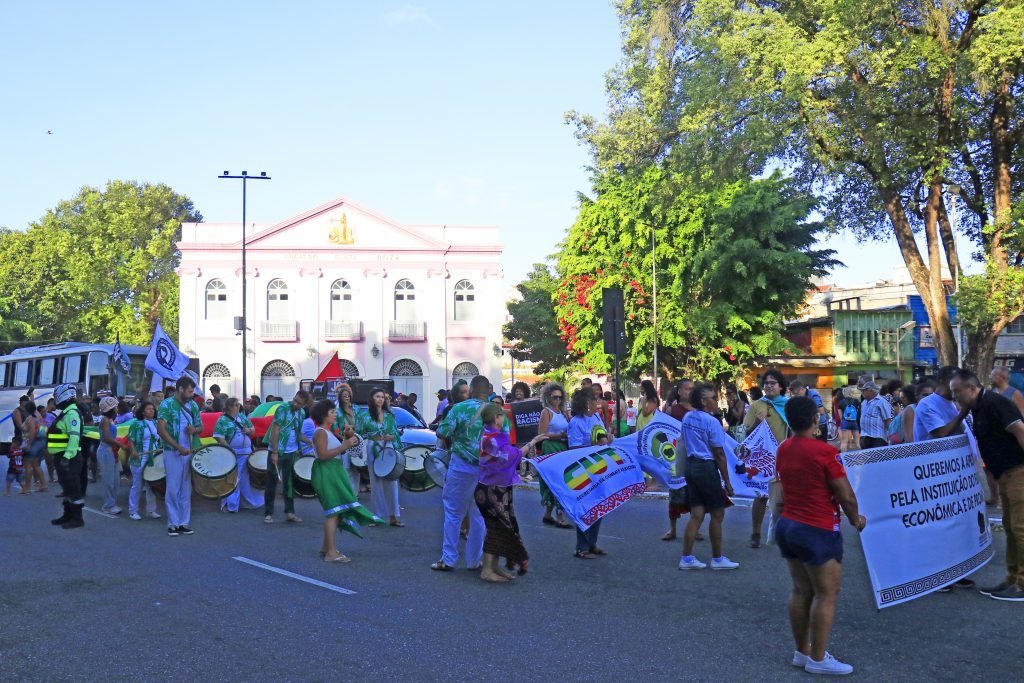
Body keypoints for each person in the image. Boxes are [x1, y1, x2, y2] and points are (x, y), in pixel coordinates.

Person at [775, 395, 866, 676]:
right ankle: (818, 658)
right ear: (816, 420)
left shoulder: (784, 448)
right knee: (827, 594)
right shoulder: (824, 453)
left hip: (788, 525)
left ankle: (802, 651)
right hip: (817, 528)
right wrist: (856, 519)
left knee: (801, 590)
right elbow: (846, 494)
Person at [949, 369, 1024, 601]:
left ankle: (1021, 583)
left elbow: (1021, 430)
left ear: (972, 388)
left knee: (1020, 529)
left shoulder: (994, 403)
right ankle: (1013, 579)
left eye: (957, 392)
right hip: (1005, 475)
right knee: (1011, 528)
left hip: (1018, 472)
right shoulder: (978, 406)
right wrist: (962, 411)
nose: (955, 397)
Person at [475, 402, 547, 582]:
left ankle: (494, 567)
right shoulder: (492, 438)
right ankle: (486, 570)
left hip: (496, 488)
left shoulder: (491, 435)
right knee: (497, 528)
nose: (504, 418)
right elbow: (513, 455)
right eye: (501, 415)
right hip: (492, 490)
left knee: (501, 528)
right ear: (496, 418)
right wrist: (533, 442)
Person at [432, 375, 495, 571]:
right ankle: (474, 561)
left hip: (461, 466)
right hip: (487, 469)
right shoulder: (497, 411)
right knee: (478, 516)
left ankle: (448, 559)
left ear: (472, 390)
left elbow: (442, 432)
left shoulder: (459, 409)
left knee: (453, 512)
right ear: (489, 390)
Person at [310, 399, 383, 563]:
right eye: (332, 412)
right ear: (324, 415)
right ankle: (331, 553)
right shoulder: (320, 432)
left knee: (334, 511)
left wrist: (347, 443)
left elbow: (335, 452)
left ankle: (326, 548)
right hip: (327, 471)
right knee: (333, 511)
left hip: (333, 470)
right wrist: (345, 445)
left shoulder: (326, 431)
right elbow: (322, 455)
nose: (335, 414)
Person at [677, 383, 739, 570]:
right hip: (706, 467)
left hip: (691, 466)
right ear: (704, 402)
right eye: (713, 397)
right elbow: (719, 454)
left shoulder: (688, 417)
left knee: (696, 514)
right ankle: (718, 558)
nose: (716, 400)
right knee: (717, 513)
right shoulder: (712, 422)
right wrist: (727, 482)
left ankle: (686, 558)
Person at [743, 369, 790, 549]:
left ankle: (781, 535)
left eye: (773, 383)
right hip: (762, 458)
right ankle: (755, 533)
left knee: (783, 497)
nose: (769, 386)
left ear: (781, 386)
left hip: (784, 456)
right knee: (761, 495)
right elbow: (745, 433)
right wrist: (756, 423)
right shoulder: (756, 405)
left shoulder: (788, 405)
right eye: (766, 383)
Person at [568, 387, 612, 560]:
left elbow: (603, 436)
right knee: (586, 508)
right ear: (587, 403)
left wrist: (608, 439)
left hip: (599, 468)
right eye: (595, 400)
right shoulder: (576, 422)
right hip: (583, 471)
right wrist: (595, 446)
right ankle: (581, 547)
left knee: (599, 506)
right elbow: (573, 448)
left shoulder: (595, 418)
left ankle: (592, 543)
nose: (598, 403)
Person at [156, 377, 202, 536]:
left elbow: (200, 427)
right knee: (173, 487)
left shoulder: (194, 405)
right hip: (172, 451)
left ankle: (184, 523)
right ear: (181, 389)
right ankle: (172, 523)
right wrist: (178, 447)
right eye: (189, 391)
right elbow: (161, 430)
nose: (192, 394)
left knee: (186, 488)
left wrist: (194, 431)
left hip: (190, 451)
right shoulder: (166, 404)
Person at [356, 387, 404, 526]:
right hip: (373, 448)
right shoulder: (364, 416)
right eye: (377, 396)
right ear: (372, 399)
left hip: (388, 448)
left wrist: (392, 438)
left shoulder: (390, 415)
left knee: (392, 482)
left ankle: (394, 517)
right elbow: (359, 434)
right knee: (375, 482)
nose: (380, 399)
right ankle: (377, 516)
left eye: (382, 397)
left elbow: (395, 432)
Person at [265, 390, 311, 525]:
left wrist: (309, 441)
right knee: (272, 481)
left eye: (299, 403)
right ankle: (268, 513)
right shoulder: (283, 408)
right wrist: (274, 452)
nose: (295, 404)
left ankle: (290, 512)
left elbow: (298, 432)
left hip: (292, 452)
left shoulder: (302, 413)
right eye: (295, 400)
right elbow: (276, 430)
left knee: (289, 482)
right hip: (278, 450)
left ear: (304, 405)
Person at [213, 398, 262, 513]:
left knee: (244, 479)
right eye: (236, 405)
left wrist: (249, 430)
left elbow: (253, 429)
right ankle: (231, 505)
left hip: (246, 452)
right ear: (229, 407)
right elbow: (218, 436)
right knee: (234, 479)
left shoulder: (242, 417)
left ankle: (243, 502)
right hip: (232, 453)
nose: (238, 406)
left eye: (238, 405)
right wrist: (228, 449)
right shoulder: (222, 420)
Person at [535, 382, 573, 529]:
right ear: (548, 398)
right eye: (554, 397)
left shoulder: (562, 412)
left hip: (563, 448)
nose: (557, 400)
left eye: (559, 397)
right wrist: (559, 436)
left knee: (558, 481)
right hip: (550, 447)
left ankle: (548, 514)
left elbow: (571, 427)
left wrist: (568, 415)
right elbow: (542, 434)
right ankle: (559, 516)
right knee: (557, 482)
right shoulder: (546, 412)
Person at [48, 383, 86, 529]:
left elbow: (74, 437)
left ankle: (77, 519)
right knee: (67, 487)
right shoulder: (66, 412)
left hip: (69, 457)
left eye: (56, 397)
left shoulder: (72, 414)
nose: (55, 400)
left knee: (73, 487)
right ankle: (67, 515)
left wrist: (67, 457)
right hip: (62, 456)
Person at [126, 401, 161, 521]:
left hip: (153, 458)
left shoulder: (156, 423)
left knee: (151, 485)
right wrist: (133, 450)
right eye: (148, 409)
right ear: (142, 412)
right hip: (140, 458)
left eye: (153, 409)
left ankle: (151, 510)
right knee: (138, 485)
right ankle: (133, 511)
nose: (152, 411)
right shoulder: (137, 424)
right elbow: (130, 439)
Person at [333, 384, 367, 492]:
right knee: (346, 469)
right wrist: (345, 439)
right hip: (345, 443)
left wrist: (351, 427)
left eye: (348, 395)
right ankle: (347, 494)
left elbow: (361, 425)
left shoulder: (356, 408)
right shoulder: (337, 412)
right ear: (340, 398)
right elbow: (335, 429)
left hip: (357, 442)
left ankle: (355, 494)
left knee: (356, 469)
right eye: (344, 396)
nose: (347, 398)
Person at [96, 396, 122, 514]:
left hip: (112, 450)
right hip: (106, 451)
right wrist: (121, 444)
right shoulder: (105, 420)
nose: (117, 408)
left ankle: (112, 503)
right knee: (108, 479)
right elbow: (106, 438)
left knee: (115, 479)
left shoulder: (110, 420)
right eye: (115, 406)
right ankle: (108, 505)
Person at [20, 402, 47, 494]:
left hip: (33, 443)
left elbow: (32, 433)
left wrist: (28, 445)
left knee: (28, 465)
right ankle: (43, 485)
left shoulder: (30, 419)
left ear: (26, 409)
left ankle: (27, 488)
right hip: (41, 442)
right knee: (36, 465)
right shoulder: (38, 416)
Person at [857, 381, 892, 449]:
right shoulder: (864, 402)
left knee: (877, 458)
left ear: (872, 391)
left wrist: (889, 437)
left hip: (877, 438)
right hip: (864, 437)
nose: (862, 392)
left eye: (864, 390)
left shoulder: (882, 402)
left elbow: (888, 420)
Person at [836, 388, 861, 453]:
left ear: (844, 393)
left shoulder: (841, 402)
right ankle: (861, 456)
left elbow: (840, 416)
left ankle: (844, 458)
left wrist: (844, 421)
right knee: (858, 442)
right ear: (851, 393)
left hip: (845, 422)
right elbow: (860, 411)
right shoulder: (856, 401)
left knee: (844, 442)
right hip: (854, 422)